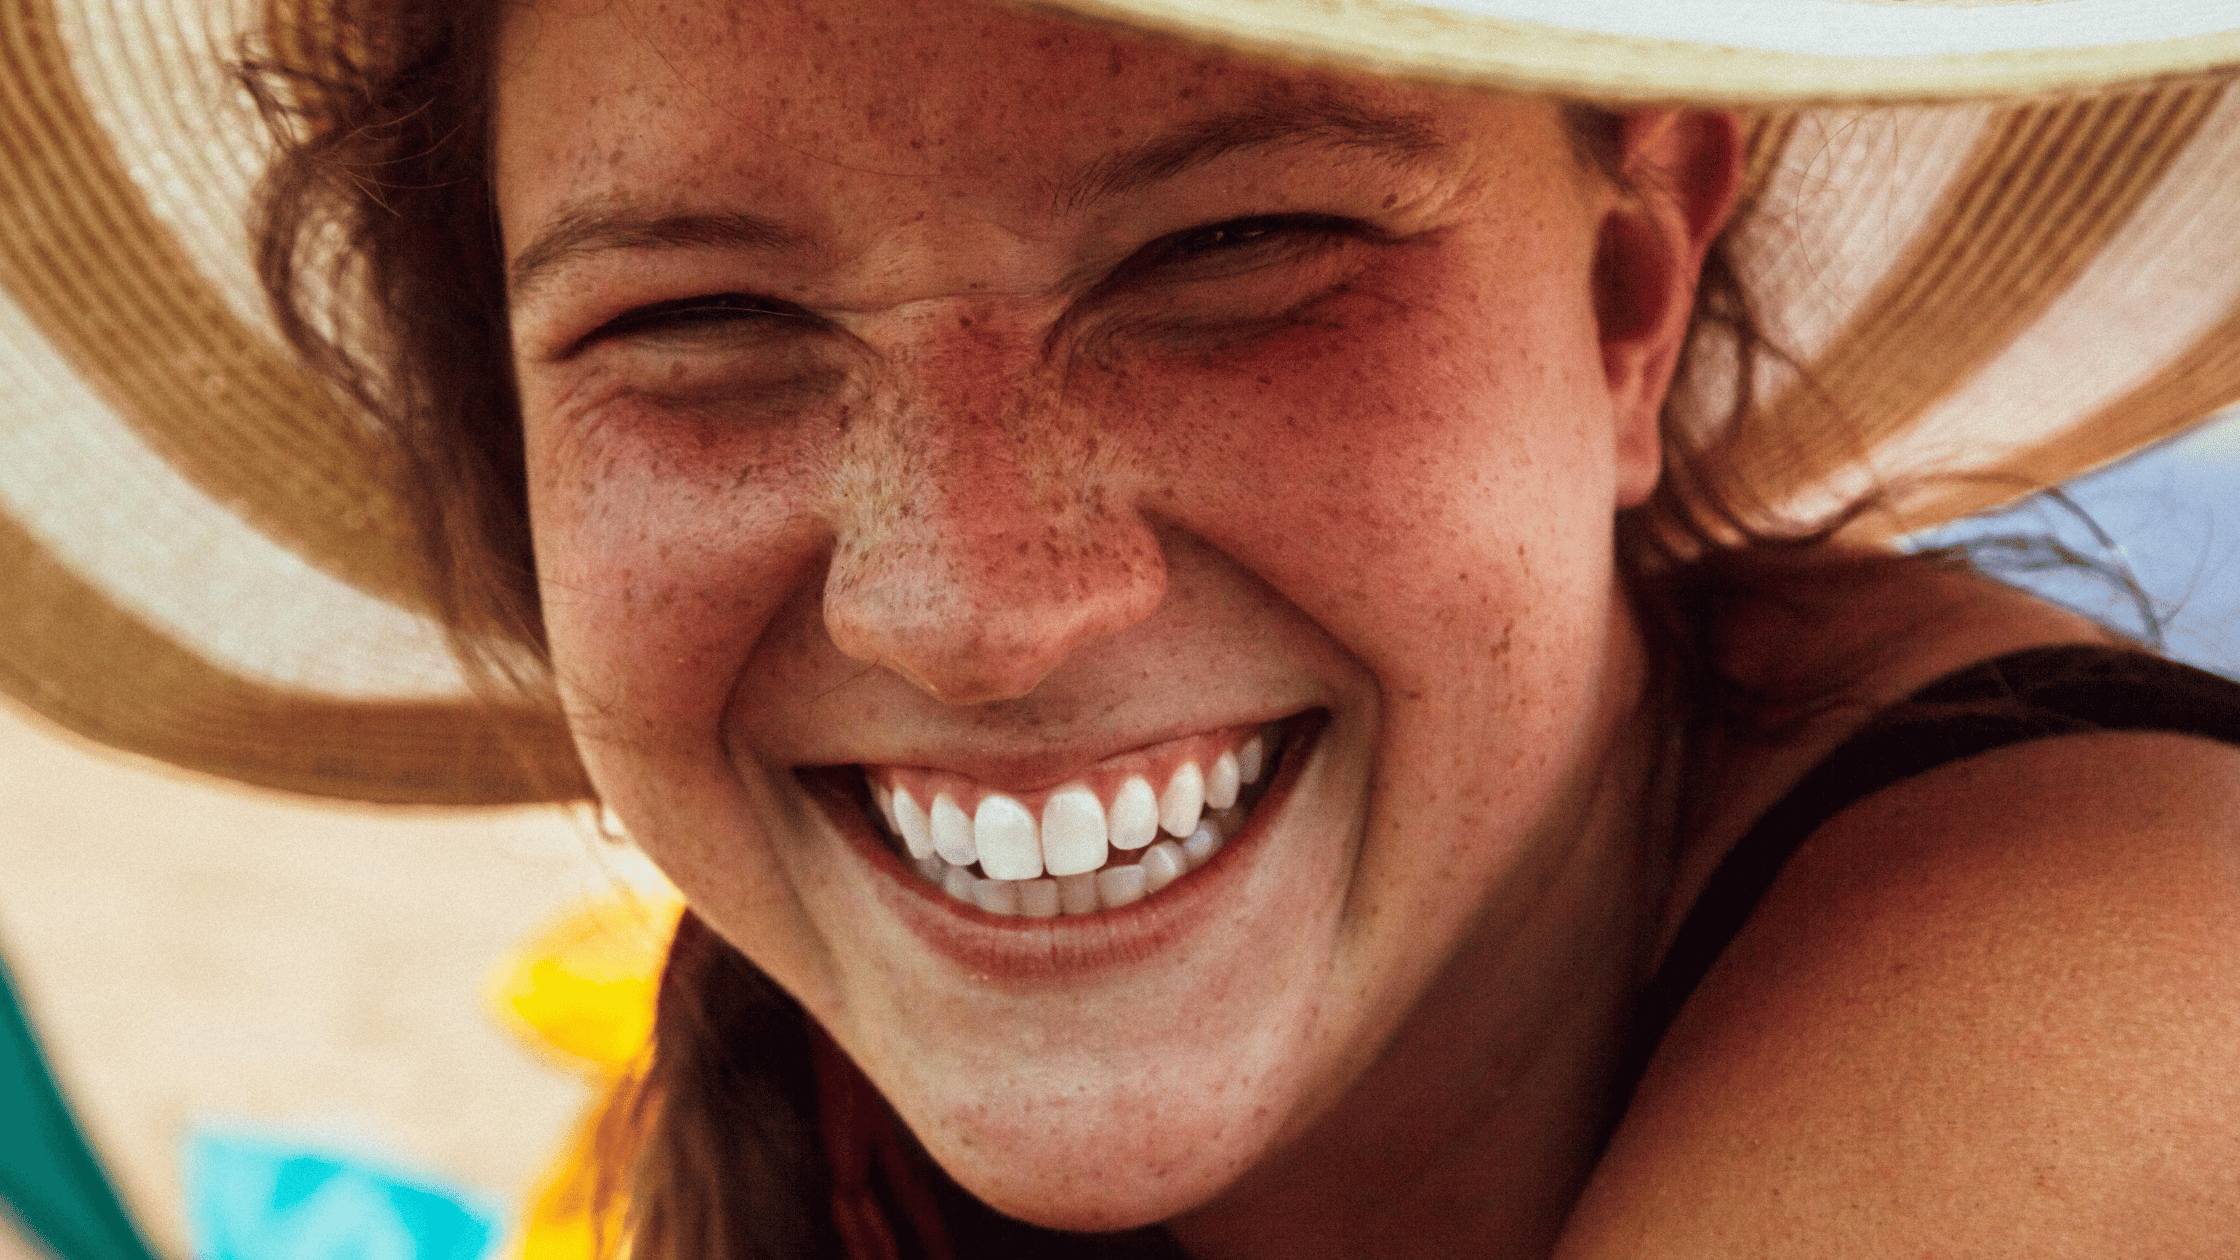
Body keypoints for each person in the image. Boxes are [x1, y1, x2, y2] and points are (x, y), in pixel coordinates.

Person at [4, 2, 2238, 1257]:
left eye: (1237, 249)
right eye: (696, 324)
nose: (969, 611)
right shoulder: (822, 1092)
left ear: (1627, 296)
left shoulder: (2129, 986)